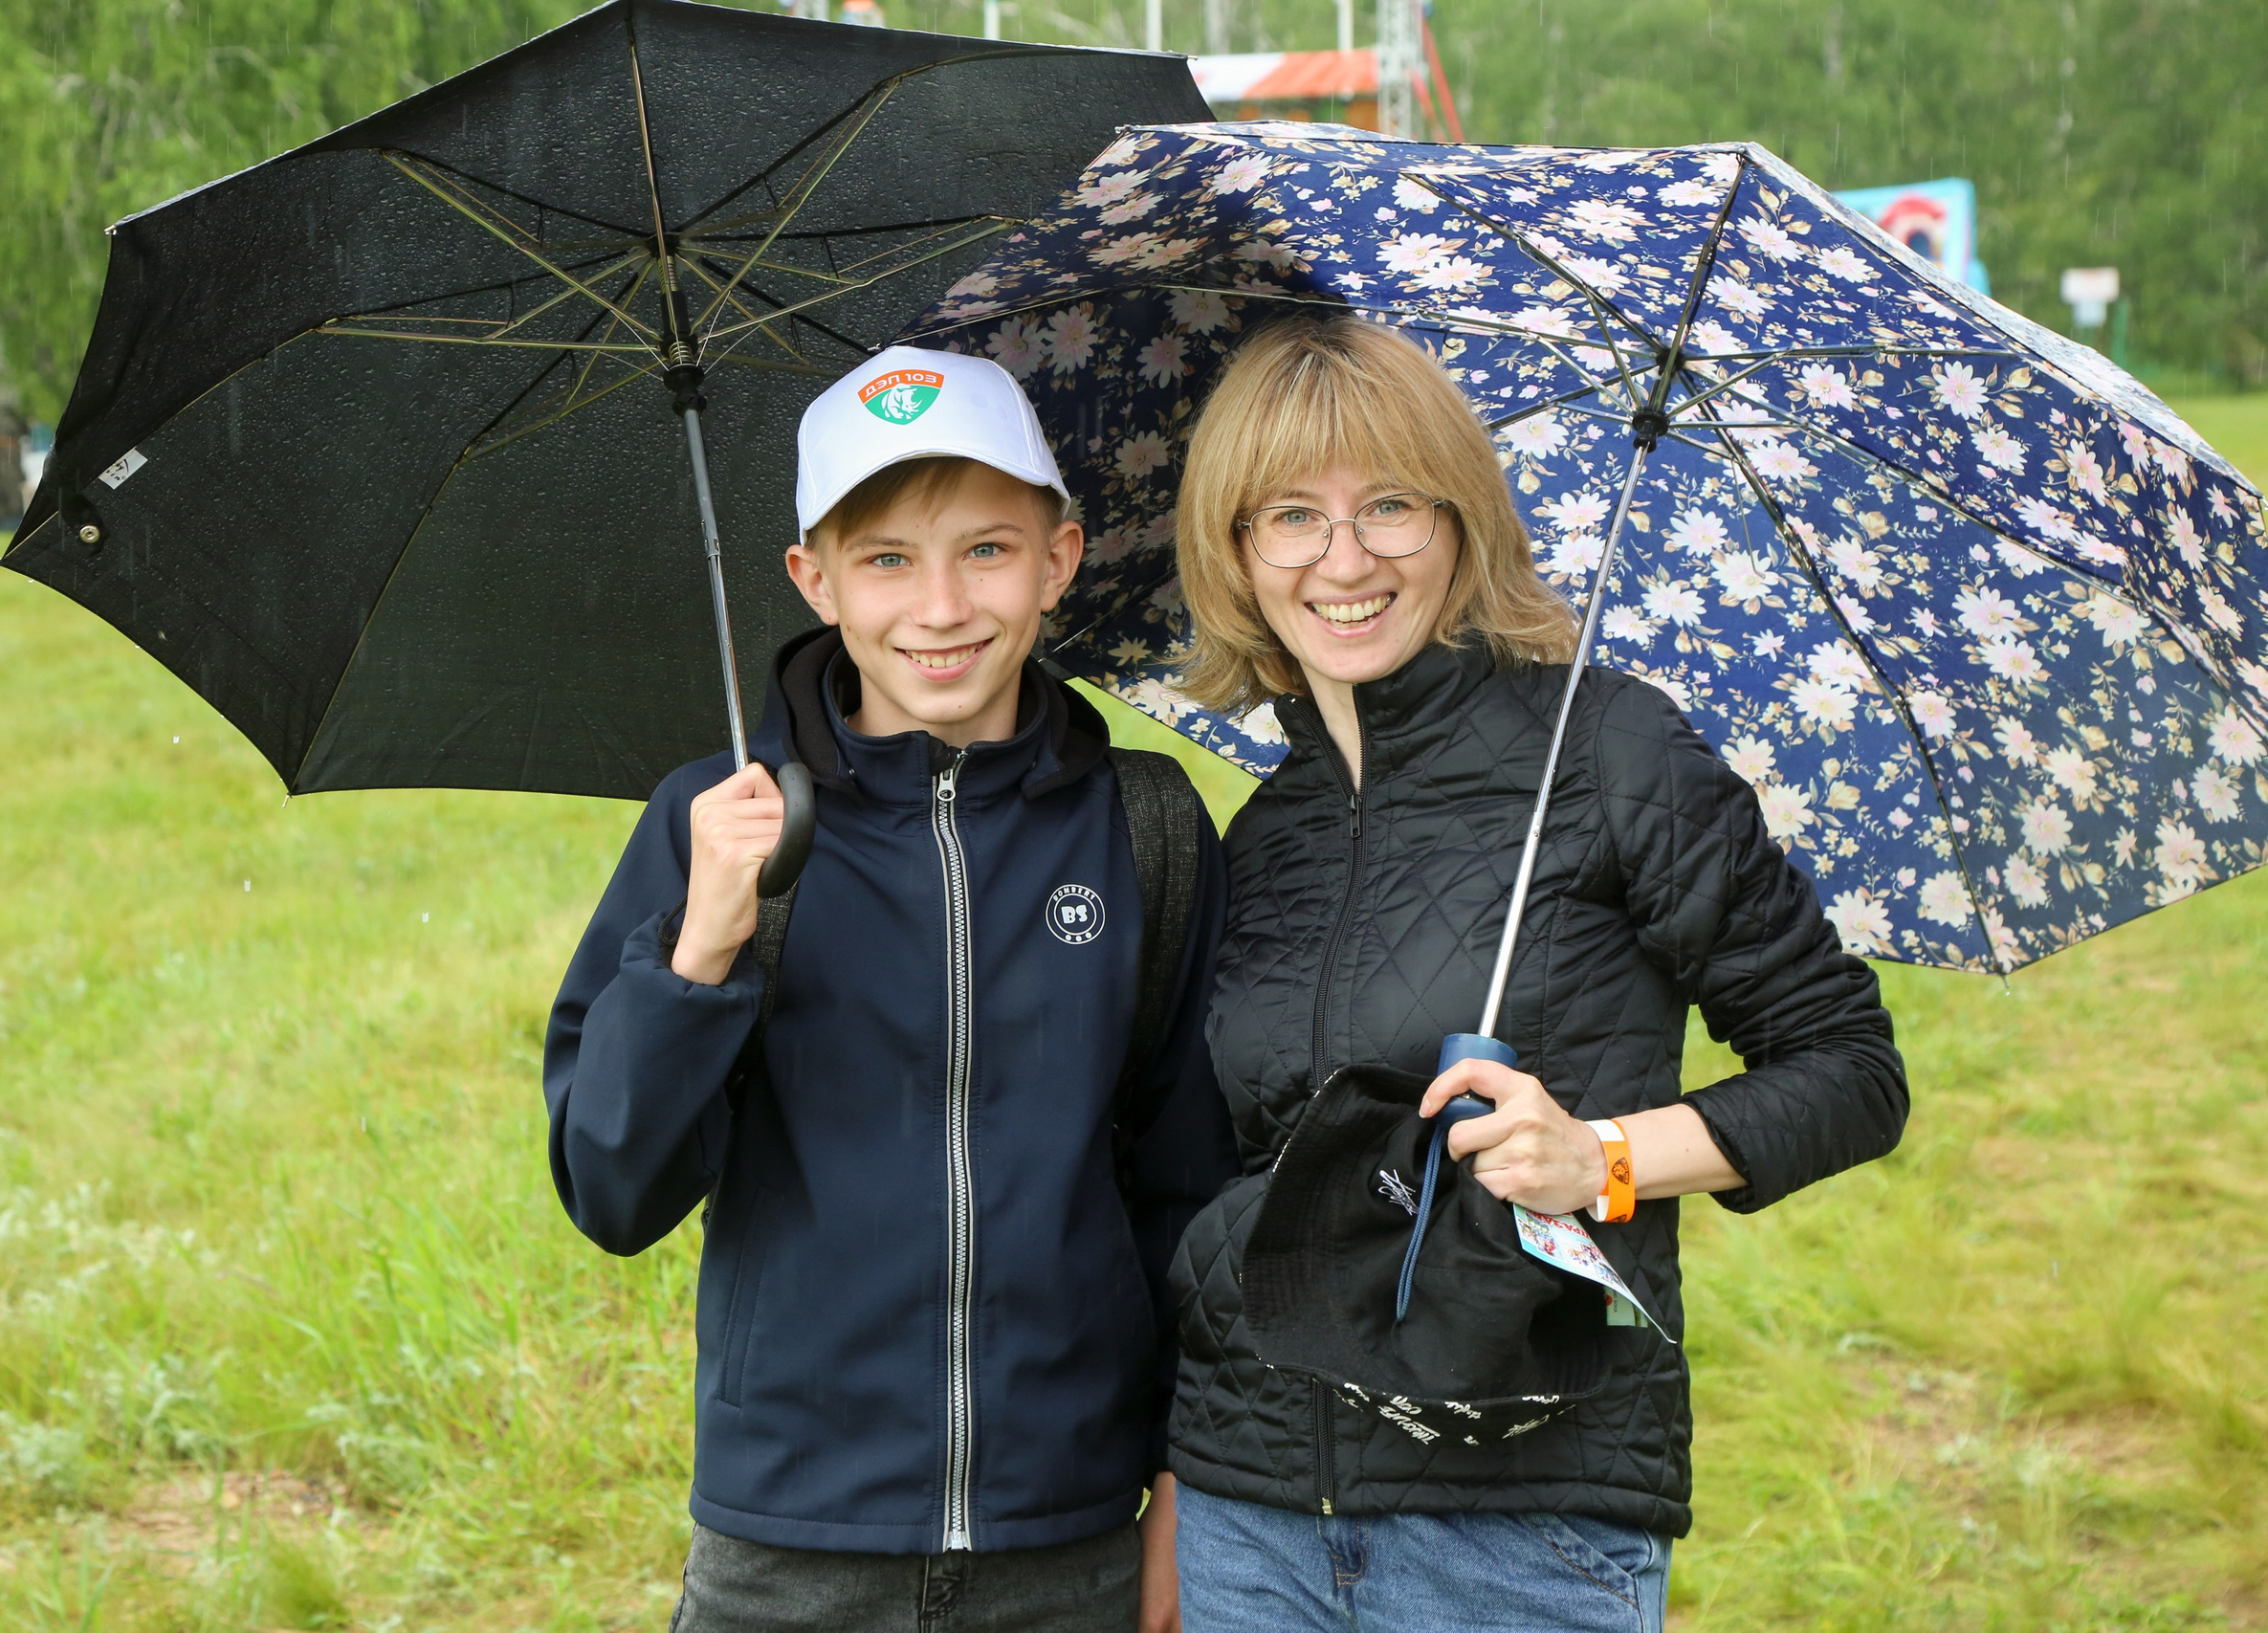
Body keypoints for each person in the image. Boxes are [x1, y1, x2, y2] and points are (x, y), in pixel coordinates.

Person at [1160, 317, 1907, 1631]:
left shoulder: (1611, 754)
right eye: (1289, 516)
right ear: (1235, 551)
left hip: (1517, 1526)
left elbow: (1851, 1073)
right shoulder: (1261, 833)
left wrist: (1599, 1160)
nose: (1345, 560)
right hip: (1251, 1514)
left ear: (1459, 520)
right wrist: (1179, 1477)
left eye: (1389, 504)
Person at [544, 345, 1237, 1633]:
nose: (939, 607)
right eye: (885, 561)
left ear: (1060, 557)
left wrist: (1181, 1488)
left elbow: (1194, 1195)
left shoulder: (1144, 827)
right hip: (790, 1549)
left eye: (986, 550)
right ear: (814, 579)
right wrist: (697, 957)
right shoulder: (715, 825)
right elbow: (613, 1189)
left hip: (1071, 1541)